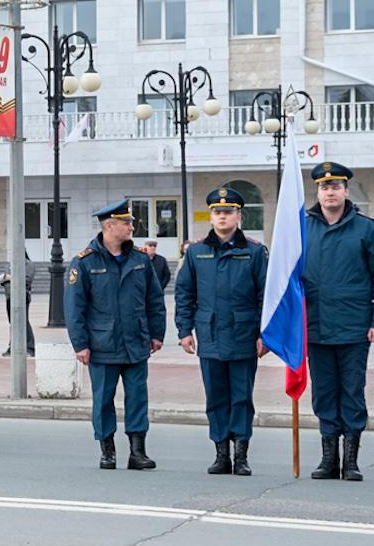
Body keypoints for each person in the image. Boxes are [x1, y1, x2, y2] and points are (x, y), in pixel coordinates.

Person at [299, 161, 374, 482]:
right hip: (315, 326)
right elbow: (286, 276)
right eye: (325, 187)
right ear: (318, 191)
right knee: (324, 393)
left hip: (354, 326)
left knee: (352, 391)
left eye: (336, 186)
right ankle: (329, 458)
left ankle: (351, 460)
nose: (330, 192)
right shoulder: (301, 226)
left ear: (346, 191)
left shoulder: (367, 228)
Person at [66, 199, 167, 470]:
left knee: (137, 397)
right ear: (110, 226)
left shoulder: (139, 260)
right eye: (127, 222)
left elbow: (154, 300)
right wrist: (81, 344)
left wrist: (157, 333)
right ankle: (107, 450)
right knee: (103, 400)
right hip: (102, 344)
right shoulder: (84, 262)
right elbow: (74, 308)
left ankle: (138, 452)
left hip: (135, 342)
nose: (132, 226)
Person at [174, 187, 269, 476]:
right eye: (217, 212)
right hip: (210, 334)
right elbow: (184, 293)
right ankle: (221, 454)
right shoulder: (197, 252)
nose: (223, 217)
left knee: (241, 397)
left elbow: (267, 295)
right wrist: (184, 330)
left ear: (239, 216)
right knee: (216, 397)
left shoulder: (254, 252)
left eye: (228, 212)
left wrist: (265, 334)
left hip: (244, 335)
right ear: (211, 216)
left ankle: (241, 455)